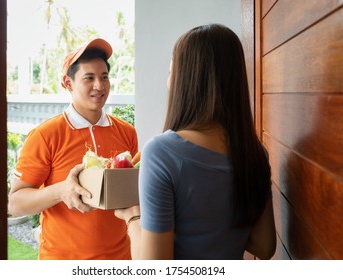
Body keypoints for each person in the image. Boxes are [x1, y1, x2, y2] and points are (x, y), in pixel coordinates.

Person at [115, 24, 276, 260]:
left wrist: (132, 217)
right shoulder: (254, 154)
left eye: (170, 71)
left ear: (185, 80)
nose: (168, 80)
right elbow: (265, 246)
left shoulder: (160, 153)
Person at [8, 38, 138, 259]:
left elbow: (132, 192)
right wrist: (61, 191)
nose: (100, 85)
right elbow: (15, 204)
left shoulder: (127, 132)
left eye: (104, 77)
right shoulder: (45, 135)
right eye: (89, 78)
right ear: (68, 83)